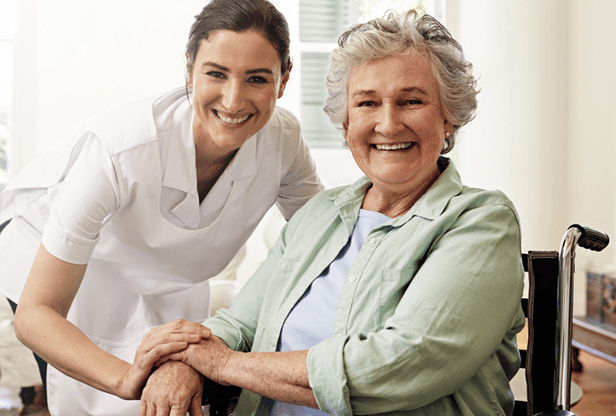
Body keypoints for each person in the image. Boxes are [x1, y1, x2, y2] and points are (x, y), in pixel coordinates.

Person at [141, 8, 526, 416]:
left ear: (448, 117)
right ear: (345, 124)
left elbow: (398, 365)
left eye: (411, 101)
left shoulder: (482, 221)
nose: (388, 124)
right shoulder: (320, 213)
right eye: (367, 103)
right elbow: (239, 325)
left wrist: (220, 363)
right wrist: (182, 361)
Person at [0, 0, 323, 415]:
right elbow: (36, 313)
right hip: (55, 266)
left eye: (257, 78)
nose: (234, 100)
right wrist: (125, 378)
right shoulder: (121, 152)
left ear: (284, 78)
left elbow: (326, 241)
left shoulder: (284, 140)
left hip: (164, 276)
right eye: (216, 74)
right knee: (107, 399)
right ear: (189, 70)